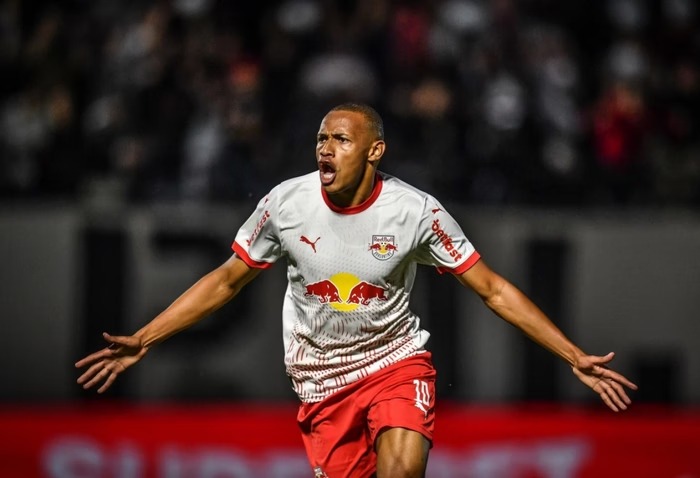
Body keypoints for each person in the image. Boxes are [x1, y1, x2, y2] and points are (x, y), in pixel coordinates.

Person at [75, 103, 638, 478]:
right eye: (321, 139)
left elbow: (492, 290)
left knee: (402, 467)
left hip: (396, 363)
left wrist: (572, 356)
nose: (325, 148)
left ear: (374, 151)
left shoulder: (416, 212)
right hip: (321, 381)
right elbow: (226, 279)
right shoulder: (285, 204)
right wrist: (145, 338)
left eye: (341, 139)